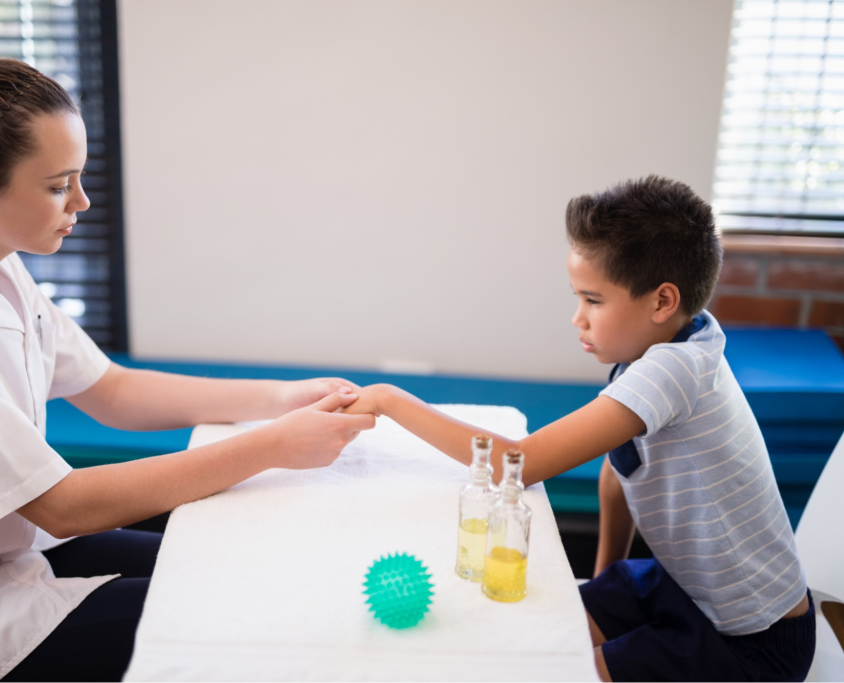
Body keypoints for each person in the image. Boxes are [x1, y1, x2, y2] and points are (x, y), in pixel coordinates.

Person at [0, 58, 375, 683]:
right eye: (59, 185)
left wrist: (280, 398)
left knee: (231, 562)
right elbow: (61, 506)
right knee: (229, 612)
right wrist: (275, 446)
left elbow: (110, 390)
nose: (81, 202)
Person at [343, 176, 816, 682]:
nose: (577, 319)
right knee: (538, 634)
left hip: (752, 641)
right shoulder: (670, 344)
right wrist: (606, 577)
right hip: (679, 587)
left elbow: (515, 464)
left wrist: (390, 400)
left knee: (568, 668)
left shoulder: (674, 371)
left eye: (593, 300)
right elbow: (619, 474)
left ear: (662, 302)